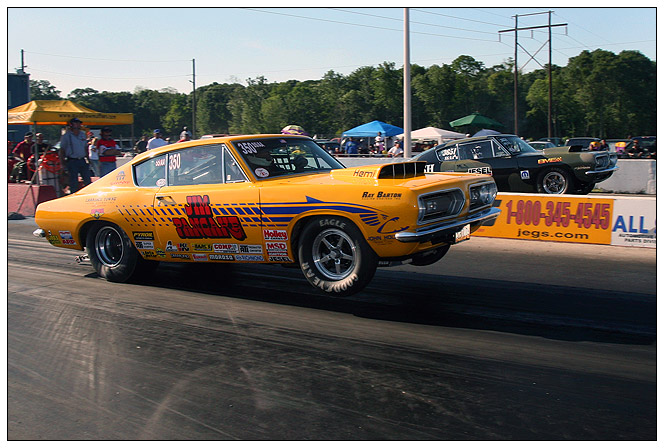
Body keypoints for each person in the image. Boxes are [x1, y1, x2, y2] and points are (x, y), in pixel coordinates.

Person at [59, 117, 91, 193]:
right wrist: (62, 163)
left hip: (82, 159)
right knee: (73, 181)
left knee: (87, 179)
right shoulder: (66, 136)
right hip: (72, 160)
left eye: (79, 123)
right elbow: (62, 150)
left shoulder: (83, 135)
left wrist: (88, 159)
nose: (78, 125)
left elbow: (85, 148)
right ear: (71, 125)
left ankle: (88, 194)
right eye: (75, 123)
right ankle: (73, 194)